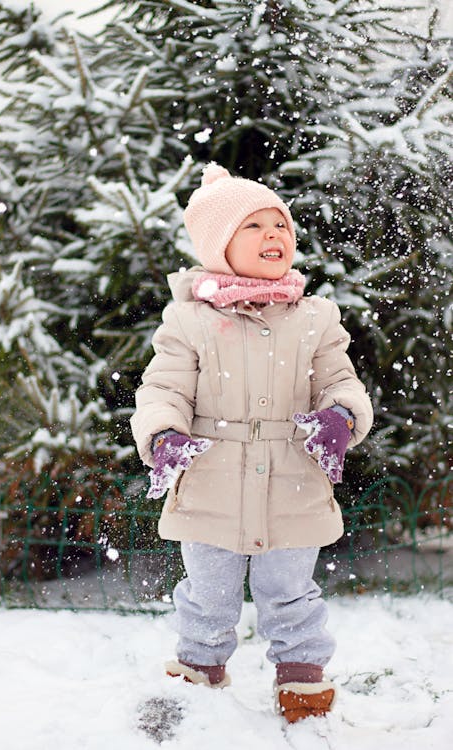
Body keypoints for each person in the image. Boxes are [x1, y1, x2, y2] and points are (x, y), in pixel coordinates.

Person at [130, 163, 373, 723]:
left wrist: (339, 414)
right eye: (254, 226)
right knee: (208, 591)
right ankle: (200, 664)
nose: (274, 236)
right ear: (220, 246)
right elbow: (162, 387)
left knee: (290, 590)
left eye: (280, 225)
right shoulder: (189, 320)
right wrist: (164, 433)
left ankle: (302, 676)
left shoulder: (315, 318)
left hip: (294, 473)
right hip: (211, 474)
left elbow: (341, 380)